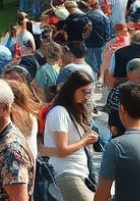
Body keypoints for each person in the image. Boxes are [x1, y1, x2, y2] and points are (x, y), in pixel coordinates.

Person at [42, 70, 98, 201]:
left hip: (78, 173)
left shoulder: (73, 110)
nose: (86, 96)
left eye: (89, 92)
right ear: (73, 89)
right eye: (84, 91)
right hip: (66, 174)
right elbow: (62, 149)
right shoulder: (59, 112)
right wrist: (84, 140)